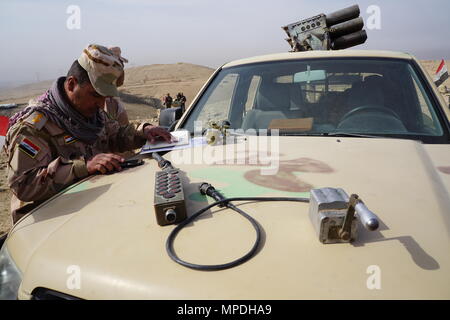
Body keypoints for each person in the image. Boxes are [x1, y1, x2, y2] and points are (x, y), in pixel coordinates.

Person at [5, 44, 172, 224]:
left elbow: (115, 136)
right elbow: (23, 185)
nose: (101, 104)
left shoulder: (92, 115)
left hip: (88, 211)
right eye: (95, 95)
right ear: (71, 84)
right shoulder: (34, 127)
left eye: (105, 98)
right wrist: (83, 167)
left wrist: (143, 132)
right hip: (47, 222)